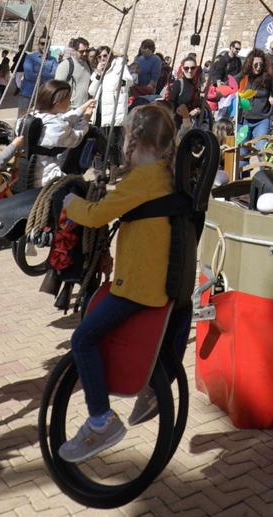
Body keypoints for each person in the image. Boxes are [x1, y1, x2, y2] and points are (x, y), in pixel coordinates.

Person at [57, 103, 186, 462]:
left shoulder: (142, 181)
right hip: (161, 279)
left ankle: (101, 421)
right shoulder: (163, 173)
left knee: (83, 339)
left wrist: (70, 202)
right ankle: (153, 387)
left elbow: (97, 216)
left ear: (136, 140)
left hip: (139, 285)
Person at [129, 39, 165, 104]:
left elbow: (155, 76)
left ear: (150, 49)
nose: (141, 49)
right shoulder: (139, 59)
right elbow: (133, 70)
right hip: (136, 88)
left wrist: (149, 87)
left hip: (147, 90)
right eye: (141, 47)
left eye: (144, 48)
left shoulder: (156, 60)